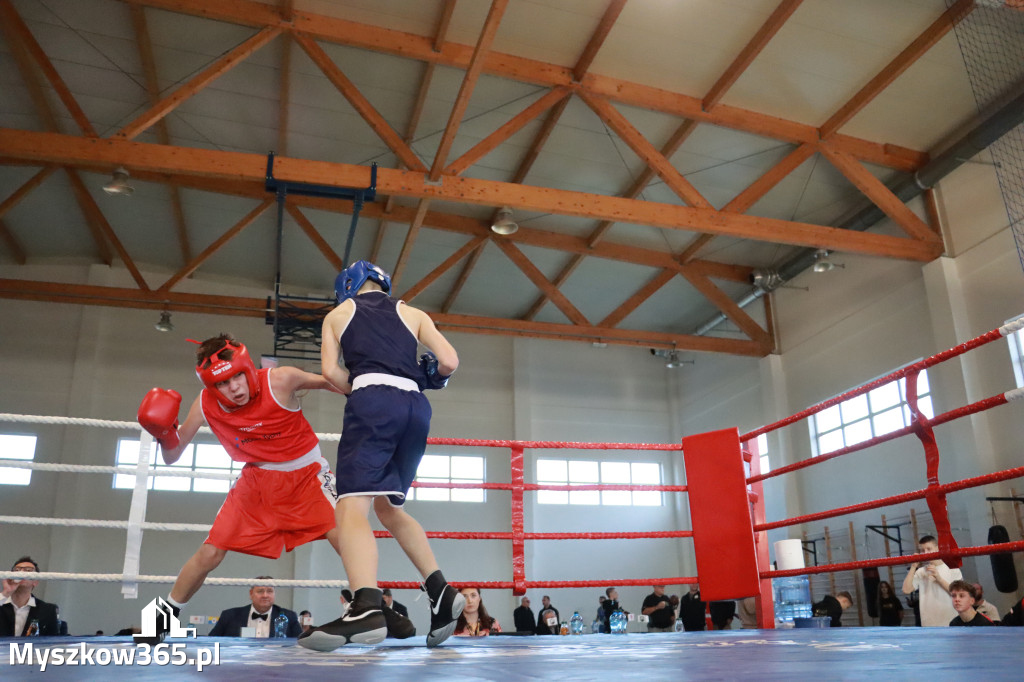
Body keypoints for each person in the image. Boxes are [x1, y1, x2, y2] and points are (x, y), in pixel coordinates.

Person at [135, 334, 346, 644]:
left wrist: (378, 390)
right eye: (222, 383)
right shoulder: (206, 405)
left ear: (247, 368)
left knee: (344, 535)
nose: (233, 387)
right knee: (210, 551)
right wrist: (164, 433)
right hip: (256, 481)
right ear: (210, 386)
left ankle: (371, 606)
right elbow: (172, 456)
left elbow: (334, 382)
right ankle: (161, 618)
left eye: (236, 377)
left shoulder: (281, 380)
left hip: (306, 475)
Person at [300, 261, 462, 651]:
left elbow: (328, 370)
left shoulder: (339, 314)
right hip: (416, 408)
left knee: (350, 507)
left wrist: (358, 387)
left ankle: (367, 606)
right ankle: (440, 591)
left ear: (348, 287)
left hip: (373, 401)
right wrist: (429, 378)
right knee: (390, 507)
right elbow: (450, 363)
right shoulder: (414, 312)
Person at [208, 577, 302, 637]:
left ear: (274, 594)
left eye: (269, 591)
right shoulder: (229, 615)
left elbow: (301, 644)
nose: (265, 595)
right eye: (260, 591)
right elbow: (211, 642)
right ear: (251, 594)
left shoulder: (289, 616)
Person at [901, 535, 962, 627]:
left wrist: (939, 579)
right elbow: (906, 590)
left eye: (929, 549)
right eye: (922, 550)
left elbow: (959, 594)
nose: (926, 553)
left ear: (937, 548)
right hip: (928, 624)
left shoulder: (952, 568)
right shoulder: (921, 572)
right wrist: (913, 567)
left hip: (950, 622)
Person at [0, 556, 60, 636]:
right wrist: (6, 592)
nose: (21, 573)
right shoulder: (1, 602)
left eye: (28, 571)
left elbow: (53, 642)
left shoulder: (48, 610)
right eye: (17, 570)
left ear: (35, 581)